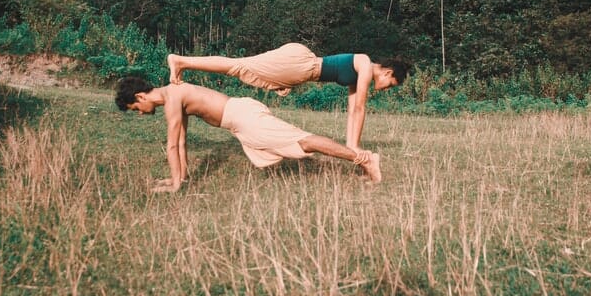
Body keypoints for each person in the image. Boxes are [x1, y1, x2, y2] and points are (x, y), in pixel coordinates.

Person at [115, 76, 382, 193]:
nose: (139, 112)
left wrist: (174, 186)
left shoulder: (172, 97)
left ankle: (365, 159)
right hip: (240, 121)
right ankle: (363, 159)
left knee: (305, 141)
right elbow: (181, 142)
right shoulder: (173, 96)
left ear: (140, 96)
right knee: (302, 143)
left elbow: (173, 146)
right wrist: (178, 178)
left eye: (135, 107)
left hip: (243, 118)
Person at [166, 43, 409, 150]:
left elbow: (352, 111)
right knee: (238, 67)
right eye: (391, 83)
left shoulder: (358, 75)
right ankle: (181, 61)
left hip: (298, 70)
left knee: (243, 69)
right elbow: (360, 109)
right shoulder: (365, 65)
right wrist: (354, 148)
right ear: (387, 72)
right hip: (301, 65)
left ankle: (183, 62)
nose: (388, 87)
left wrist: (351, 146)